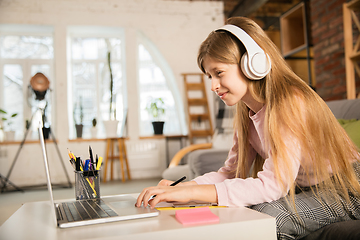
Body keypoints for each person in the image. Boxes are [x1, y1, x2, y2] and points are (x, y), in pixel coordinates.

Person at [136, 17, 360, 239]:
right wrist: (183, 189)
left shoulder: (289, 103)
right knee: (246, 213)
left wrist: (192, 193)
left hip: (347, 186)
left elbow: (273, 185)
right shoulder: (246, 112)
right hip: (309, 188)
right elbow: (230, 173)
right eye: (210, 76)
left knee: (268, 218)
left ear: (252, 63)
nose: (213, 85)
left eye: (219, 73)